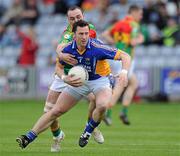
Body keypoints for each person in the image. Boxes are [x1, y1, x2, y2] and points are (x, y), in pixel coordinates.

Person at [16, 20, 131, 149]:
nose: (84, 37)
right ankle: (28, 137)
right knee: (56, 111)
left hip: (99, 80)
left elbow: (125, 56)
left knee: (103, 105)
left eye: (86, 33)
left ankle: (88, 131)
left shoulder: (97, 47)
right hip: (78, 82)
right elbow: (58, 68)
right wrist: (65, 78)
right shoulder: (67, 49)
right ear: (74, 35)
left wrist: (124, 72)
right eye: (81, 34)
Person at [38, 6, 103, 152]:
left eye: (78, 17)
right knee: (48, 111)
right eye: (72, 18)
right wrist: (60, 54)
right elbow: (60, 47)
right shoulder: (68, 33)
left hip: (83, 74)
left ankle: (91, 127)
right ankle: (57, 136)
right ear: (68, 20)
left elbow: (96, 48)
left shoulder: (90, 29)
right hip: (64, 75)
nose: (75, 20)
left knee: (95, 99)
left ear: (83, 15)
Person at [101, 4, 144, 125]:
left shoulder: (119, 23)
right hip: (126, 59)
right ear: (134, 12)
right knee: (120, 87)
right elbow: (133, 41)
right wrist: (142, 38)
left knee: (133, 83)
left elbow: (105, 33)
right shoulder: (134, 25)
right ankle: (107, 111)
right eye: (140, 14)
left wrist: (115, 42)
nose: (140, 17)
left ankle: (124, 112)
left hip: (116, 57)